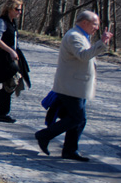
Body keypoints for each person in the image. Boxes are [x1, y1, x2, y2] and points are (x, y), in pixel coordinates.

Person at [34, 10, 113, 162]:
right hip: (70, 87)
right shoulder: (73, 36)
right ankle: (44, 135)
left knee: (78, 119)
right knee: (77, 118)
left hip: (77, 86)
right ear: (85, 22)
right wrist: (101, 43)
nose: (97, 28)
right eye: (95, 24)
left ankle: (70, 150)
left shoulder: (82, 35)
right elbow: (83, 55)